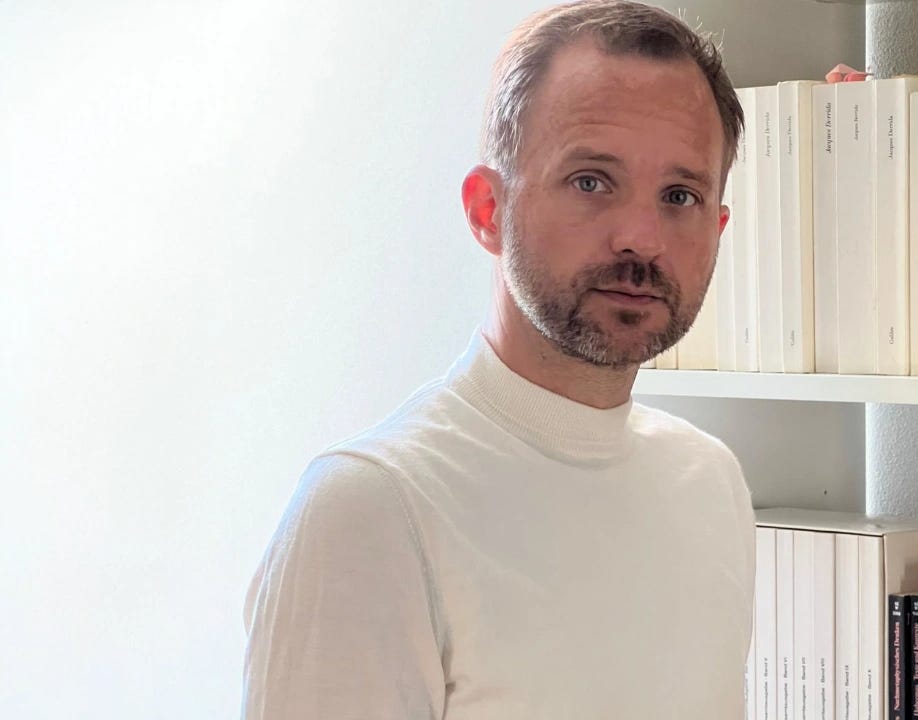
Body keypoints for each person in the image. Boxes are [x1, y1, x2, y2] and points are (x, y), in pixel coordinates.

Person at [241, 1, 754, 718]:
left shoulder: (711, 482)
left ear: (718, 228)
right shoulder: (372, 509)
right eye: (591, 181)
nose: (641, 237)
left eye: (679, 195)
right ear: (487, 210)